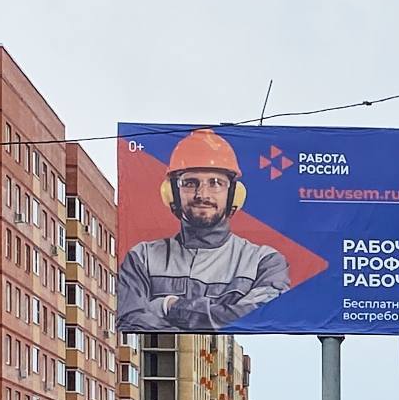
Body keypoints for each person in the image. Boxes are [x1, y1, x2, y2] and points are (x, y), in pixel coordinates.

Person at [115, 129, 290, 333]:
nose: (202, 194)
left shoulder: (264, 262)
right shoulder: (142, 258)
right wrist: (221, 313)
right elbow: (130, 321)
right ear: (172, 193)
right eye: (190, 183)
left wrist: (169, 306)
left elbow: (259, 317)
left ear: (234, 194)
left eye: (215, 183)